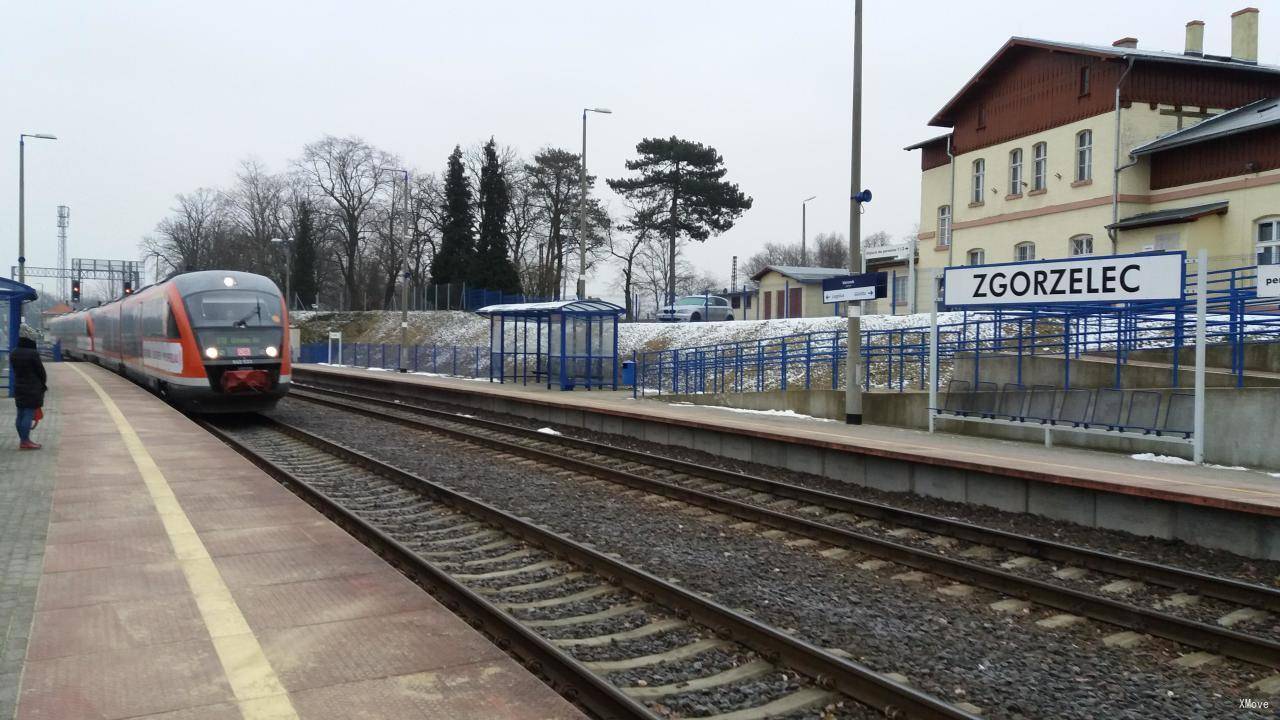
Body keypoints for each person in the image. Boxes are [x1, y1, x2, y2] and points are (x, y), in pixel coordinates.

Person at [10, 337, 47, 450]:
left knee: (20, 414)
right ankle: (25, 441)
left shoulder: (14, 352)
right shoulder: (33, 353)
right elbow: (41, 371)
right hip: (32, 387)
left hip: (19, 386)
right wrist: (43, 383)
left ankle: (23, 440)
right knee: (28, 414)